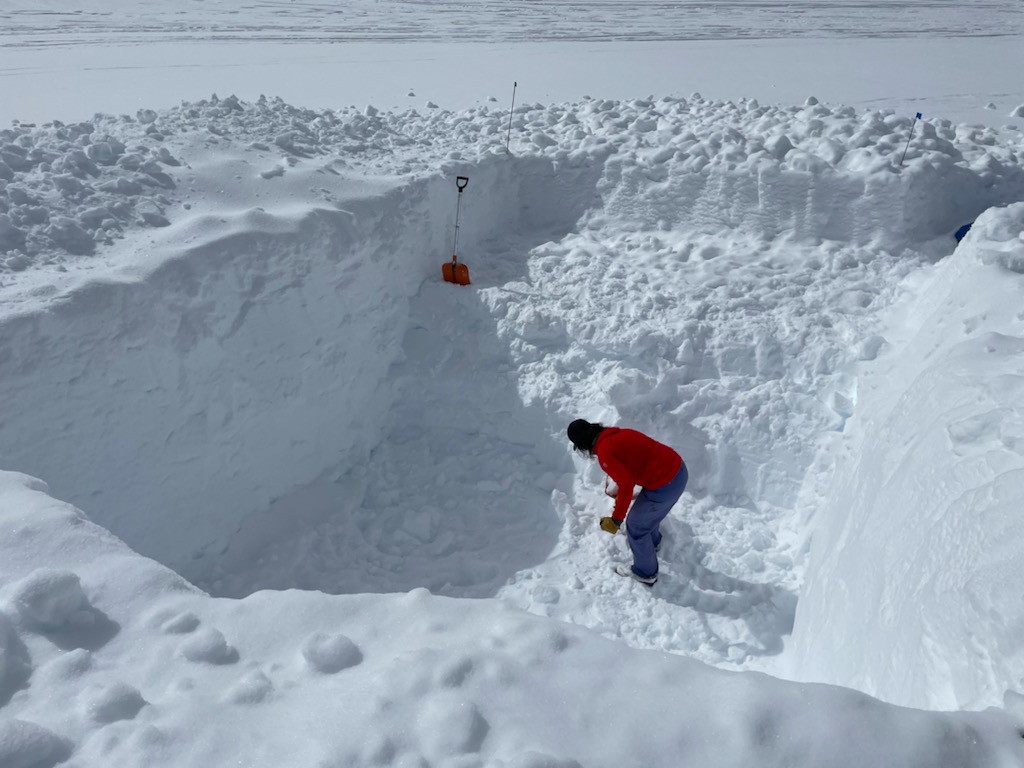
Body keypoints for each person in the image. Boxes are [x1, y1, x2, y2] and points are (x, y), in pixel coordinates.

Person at [567, 419, 688, 586]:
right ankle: (653, 543)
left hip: (665, 484)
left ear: (582, 446)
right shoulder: (617, 434)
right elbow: (633, 465)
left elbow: (626, 484)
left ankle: (646, 573)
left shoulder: (605, 453)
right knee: (646, 515)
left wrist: (616, 520)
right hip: (678, 469)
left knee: (636, 526)